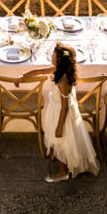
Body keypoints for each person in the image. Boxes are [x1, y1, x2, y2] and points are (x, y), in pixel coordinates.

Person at [16, 43, 100, 182]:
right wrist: (22, 76)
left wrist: (59, 126)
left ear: (59, 60)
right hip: (58, 108)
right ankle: (64, 166)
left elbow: (65, 107)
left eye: (53, 55)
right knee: (63, 141)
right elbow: (39, 71)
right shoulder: (60, 69)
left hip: (62, 112)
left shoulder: (62, 81)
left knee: (61, 140)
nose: (51, 56)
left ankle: (63, 172)